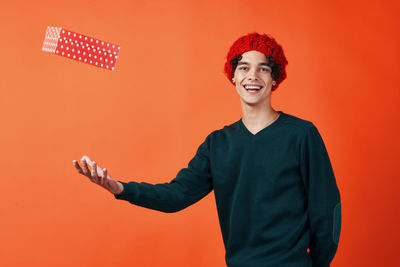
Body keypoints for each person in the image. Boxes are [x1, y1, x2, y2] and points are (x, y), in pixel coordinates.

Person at [73, 33, 341, 267]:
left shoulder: (302, 135)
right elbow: (177, 195)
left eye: (263, 69)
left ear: (274, 79)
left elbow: (327, 211)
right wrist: (120, 188)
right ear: (233, 76)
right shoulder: (217, 144)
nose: (252, 76)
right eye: (244, 67)